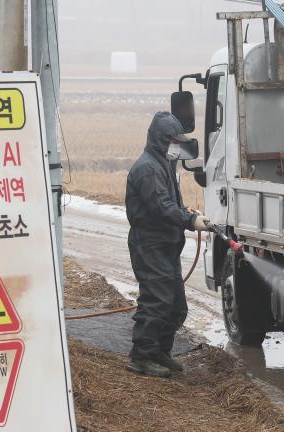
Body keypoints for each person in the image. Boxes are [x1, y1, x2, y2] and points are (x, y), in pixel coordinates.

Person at [124, 111, 210, 378]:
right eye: (174, 141)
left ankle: (160, 352)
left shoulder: (163, 163)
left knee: (175, 306)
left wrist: (186, 212)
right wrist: (189, 220)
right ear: (162, 140)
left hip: (165, 245)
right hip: (151, 245)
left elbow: (168, 202)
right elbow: (161, 207)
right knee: (157, 302)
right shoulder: (147, 168)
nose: (178, 146)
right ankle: (141, 357)